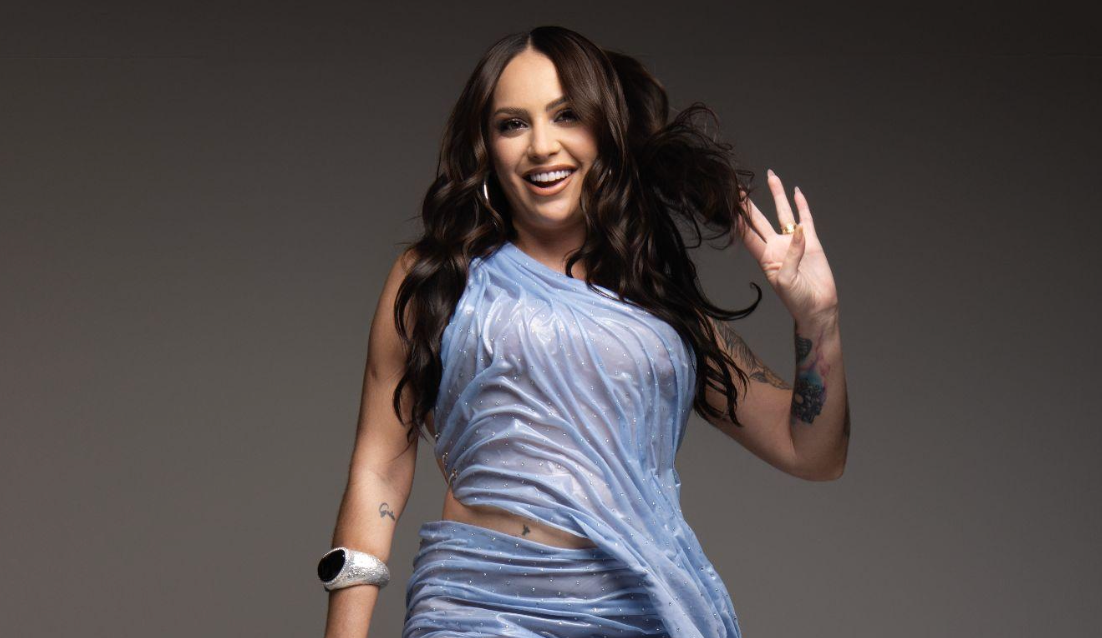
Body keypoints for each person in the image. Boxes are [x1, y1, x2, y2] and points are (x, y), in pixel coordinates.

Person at [320, 25, 850, 638]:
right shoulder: (435, 280)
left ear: (604, 128)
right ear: (486, 145)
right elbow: (378, 468)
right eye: (512, 124)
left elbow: (813, 452)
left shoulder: (660, 307)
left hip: (641, 615)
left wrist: (818, 320)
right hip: (477, 611)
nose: (542, 146)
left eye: (566, 115)